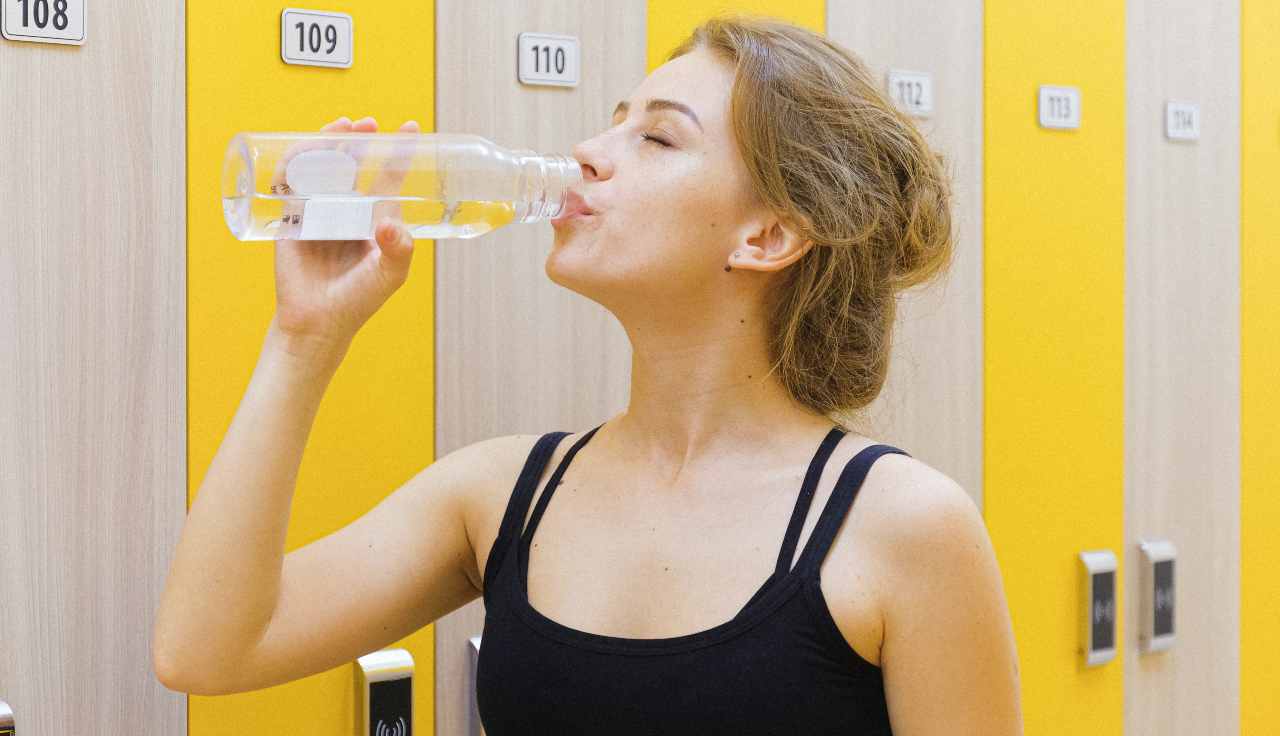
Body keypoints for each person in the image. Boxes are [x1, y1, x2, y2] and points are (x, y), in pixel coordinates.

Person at [153, 14, 1022, 735]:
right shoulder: (500, 497)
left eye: (655, 137)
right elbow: (207, 649)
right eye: (613, 121)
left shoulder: (904, 528)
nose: (589, 152)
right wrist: (305, 338)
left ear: (766, 236)